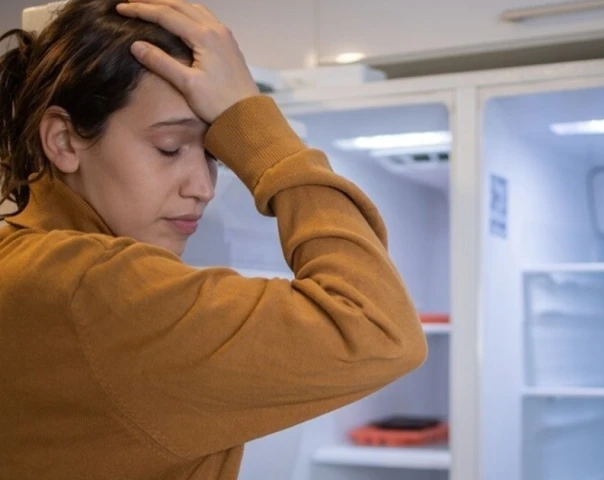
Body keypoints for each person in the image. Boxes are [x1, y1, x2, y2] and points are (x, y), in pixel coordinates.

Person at [0, 0, 428, 478]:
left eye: (213, 155)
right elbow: (379, 328)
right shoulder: (90, 285)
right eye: (169, 147)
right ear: (63, 140)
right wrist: (256, 130)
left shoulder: (24, 263)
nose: (203, 187)